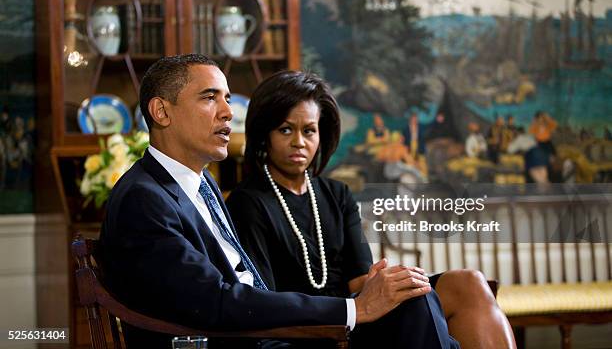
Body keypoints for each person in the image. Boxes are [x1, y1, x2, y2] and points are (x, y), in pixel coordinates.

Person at [99, 55, 454, 349]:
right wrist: (352, 309)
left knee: (413, 294)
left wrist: (359, 303)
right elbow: (217, 301)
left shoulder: (200, 183)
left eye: (227, 98)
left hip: (275, 336)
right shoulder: (144, 199)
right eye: (210, 98)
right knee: (415, 303)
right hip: (245, 342)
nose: (227, 112)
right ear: (161, 112)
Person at [227, 70, 517, 349]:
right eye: (286, 129)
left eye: (309, 130)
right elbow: (261, 300)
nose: (299, 142)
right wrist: (356, 305)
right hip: (316, 327)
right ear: (265, 134)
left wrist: (387, 281)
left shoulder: (337, 194)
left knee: (467, 283)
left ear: (322, 134)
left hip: (360, 317)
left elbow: (359, 280)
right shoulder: (247, 202)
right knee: (418, 299)